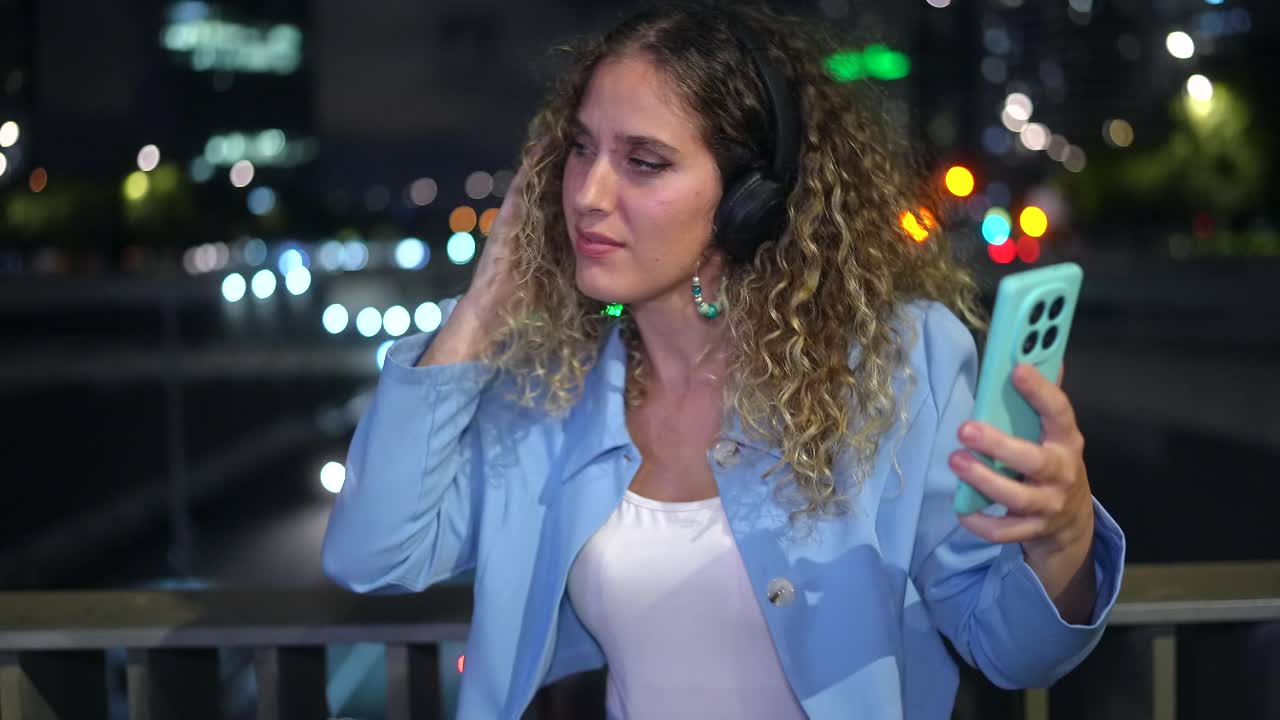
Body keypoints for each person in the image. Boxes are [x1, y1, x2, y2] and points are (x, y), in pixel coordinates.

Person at [322, 3, 1126, 718]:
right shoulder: (550, 393)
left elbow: (1010, 651)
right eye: (579, 149)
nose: (588, 194)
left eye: (644, 161)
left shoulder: (898, 362)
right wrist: (482, 304)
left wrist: (1063, 540)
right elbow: (374, 553)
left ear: (748, 199)